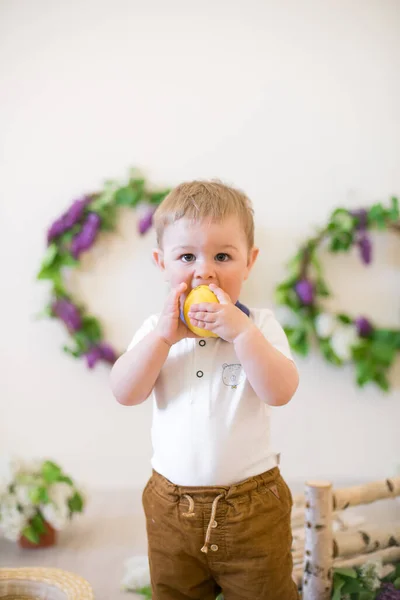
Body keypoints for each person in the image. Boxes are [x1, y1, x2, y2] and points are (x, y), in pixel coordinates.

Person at [110, 180, 299, 600]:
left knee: (265, 592)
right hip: (170, 508)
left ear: (249, 262)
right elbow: (125, 392)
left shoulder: (260, 326)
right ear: (162, 263)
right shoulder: (156, 332)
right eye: (187, 256)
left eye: (223, 256)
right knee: (174, 591)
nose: (204, 270)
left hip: (252, 505)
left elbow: (280, 391)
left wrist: (242, 332)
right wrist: (162, 338)